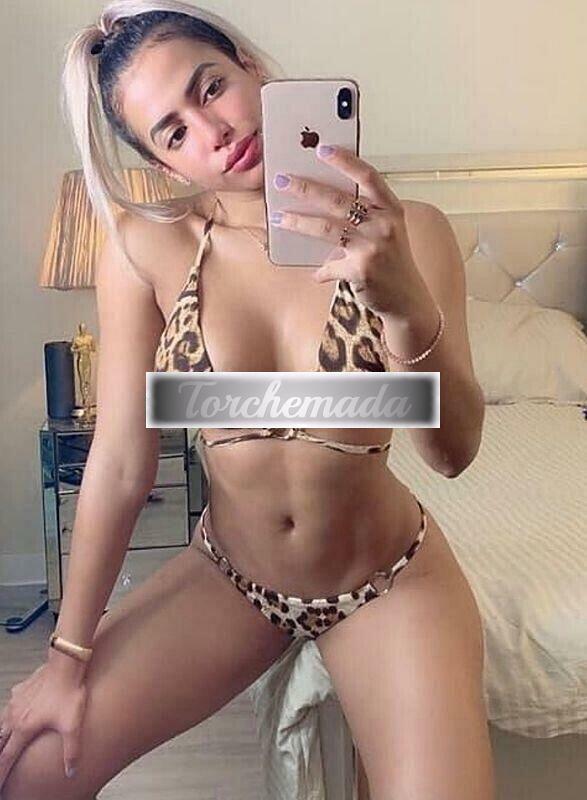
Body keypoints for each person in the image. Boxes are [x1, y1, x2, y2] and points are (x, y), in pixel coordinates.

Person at [0, 3, 495, 799]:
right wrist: (66, 656)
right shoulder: (144, 248)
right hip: (232, 578)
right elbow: (121, 462)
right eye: (173, 132)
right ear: (164, 165)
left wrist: (404, 305)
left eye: (211, 88)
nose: (214, 130)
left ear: (251, 69)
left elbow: (453, 453)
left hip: (386, 577)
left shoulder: (411, 232)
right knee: (27, 774)